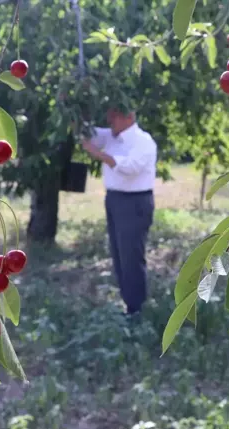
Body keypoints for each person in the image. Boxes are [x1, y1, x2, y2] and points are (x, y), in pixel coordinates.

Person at [82, 108, 157, 316]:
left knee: (131, 255)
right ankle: (129, 304)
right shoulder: (110, 135)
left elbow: (130, 167)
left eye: (115, 115)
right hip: (115, 200)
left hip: (135, 202)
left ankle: (137, 309)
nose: (109, 119)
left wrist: (97, 153)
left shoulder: (143, 141)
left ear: (130, 117)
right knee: (118, 254)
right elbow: (84, 132)